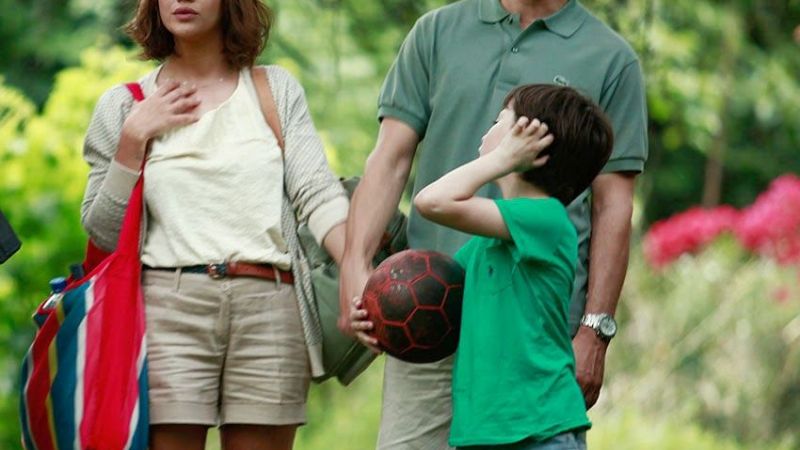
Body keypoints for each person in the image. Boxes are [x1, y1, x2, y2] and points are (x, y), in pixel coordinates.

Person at [340, 0, 648, 448]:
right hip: (426, 311)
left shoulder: (611, 58)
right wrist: (357, 268)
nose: (491, 130)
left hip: (531, 336)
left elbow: (614, 207)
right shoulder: (436, 31)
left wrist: (594, 331)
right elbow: (389, 159)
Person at [80, 0, 348, 449]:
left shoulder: (274, 89)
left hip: (271, 305)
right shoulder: (124, 105)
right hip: (167, 309)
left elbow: (316, 193)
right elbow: (102, 233)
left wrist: (357, 270)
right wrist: (133, 139)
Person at [414, 84, 613, 449]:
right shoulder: (484, 246)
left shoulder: (548, 221)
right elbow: (433, 297)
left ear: (528, 143)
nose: (487, 132)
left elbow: (431, 201)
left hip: (541, 430)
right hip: (483, 434)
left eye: (498, 121)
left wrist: (498, 160)